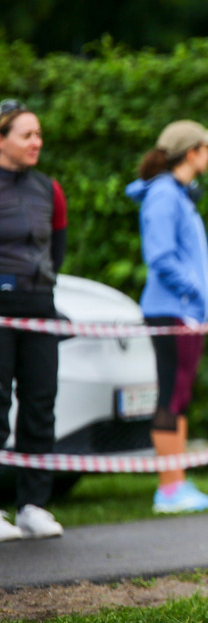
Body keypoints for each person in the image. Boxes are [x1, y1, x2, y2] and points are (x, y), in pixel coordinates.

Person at [126, 120, 208, 514]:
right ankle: (169, 489)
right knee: (170, 395)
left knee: (179, 395)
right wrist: (194, 290)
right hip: (172, 311)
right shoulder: (165, 195)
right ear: (191, 153)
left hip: (183, 313)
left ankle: (176, 482)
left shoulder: (176, 194)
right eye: (206, 147)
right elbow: (161, 256)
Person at [0, 99, 67, 541]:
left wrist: (43, 285)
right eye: (26, 134)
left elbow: (57, 247)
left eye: (39, 134)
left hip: (40, 305)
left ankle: (32, 505)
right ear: (2, 139)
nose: (36, 142)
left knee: (40, 405)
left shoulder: (49, 188)